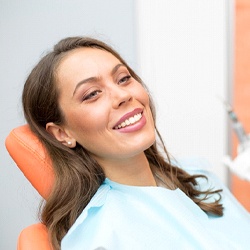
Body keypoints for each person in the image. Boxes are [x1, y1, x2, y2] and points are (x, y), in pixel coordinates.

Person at [22, 36, 250, 250]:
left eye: (123, 79)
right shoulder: (101, 236)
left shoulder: (200, 178)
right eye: (92, 94)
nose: (122, 95)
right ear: (62, 133)